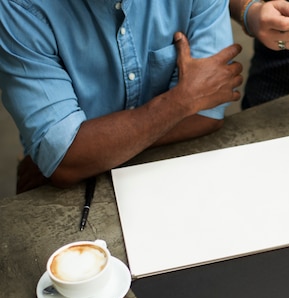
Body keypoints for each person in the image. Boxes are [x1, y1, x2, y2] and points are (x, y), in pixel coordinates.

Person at [0, 0, 243, 193]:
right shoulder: (20, 8)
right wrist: (181, 102)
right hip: (73, 196)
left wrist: (85, 151)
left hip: (173, 169)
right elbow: (66, 160)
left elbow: (207, 114)